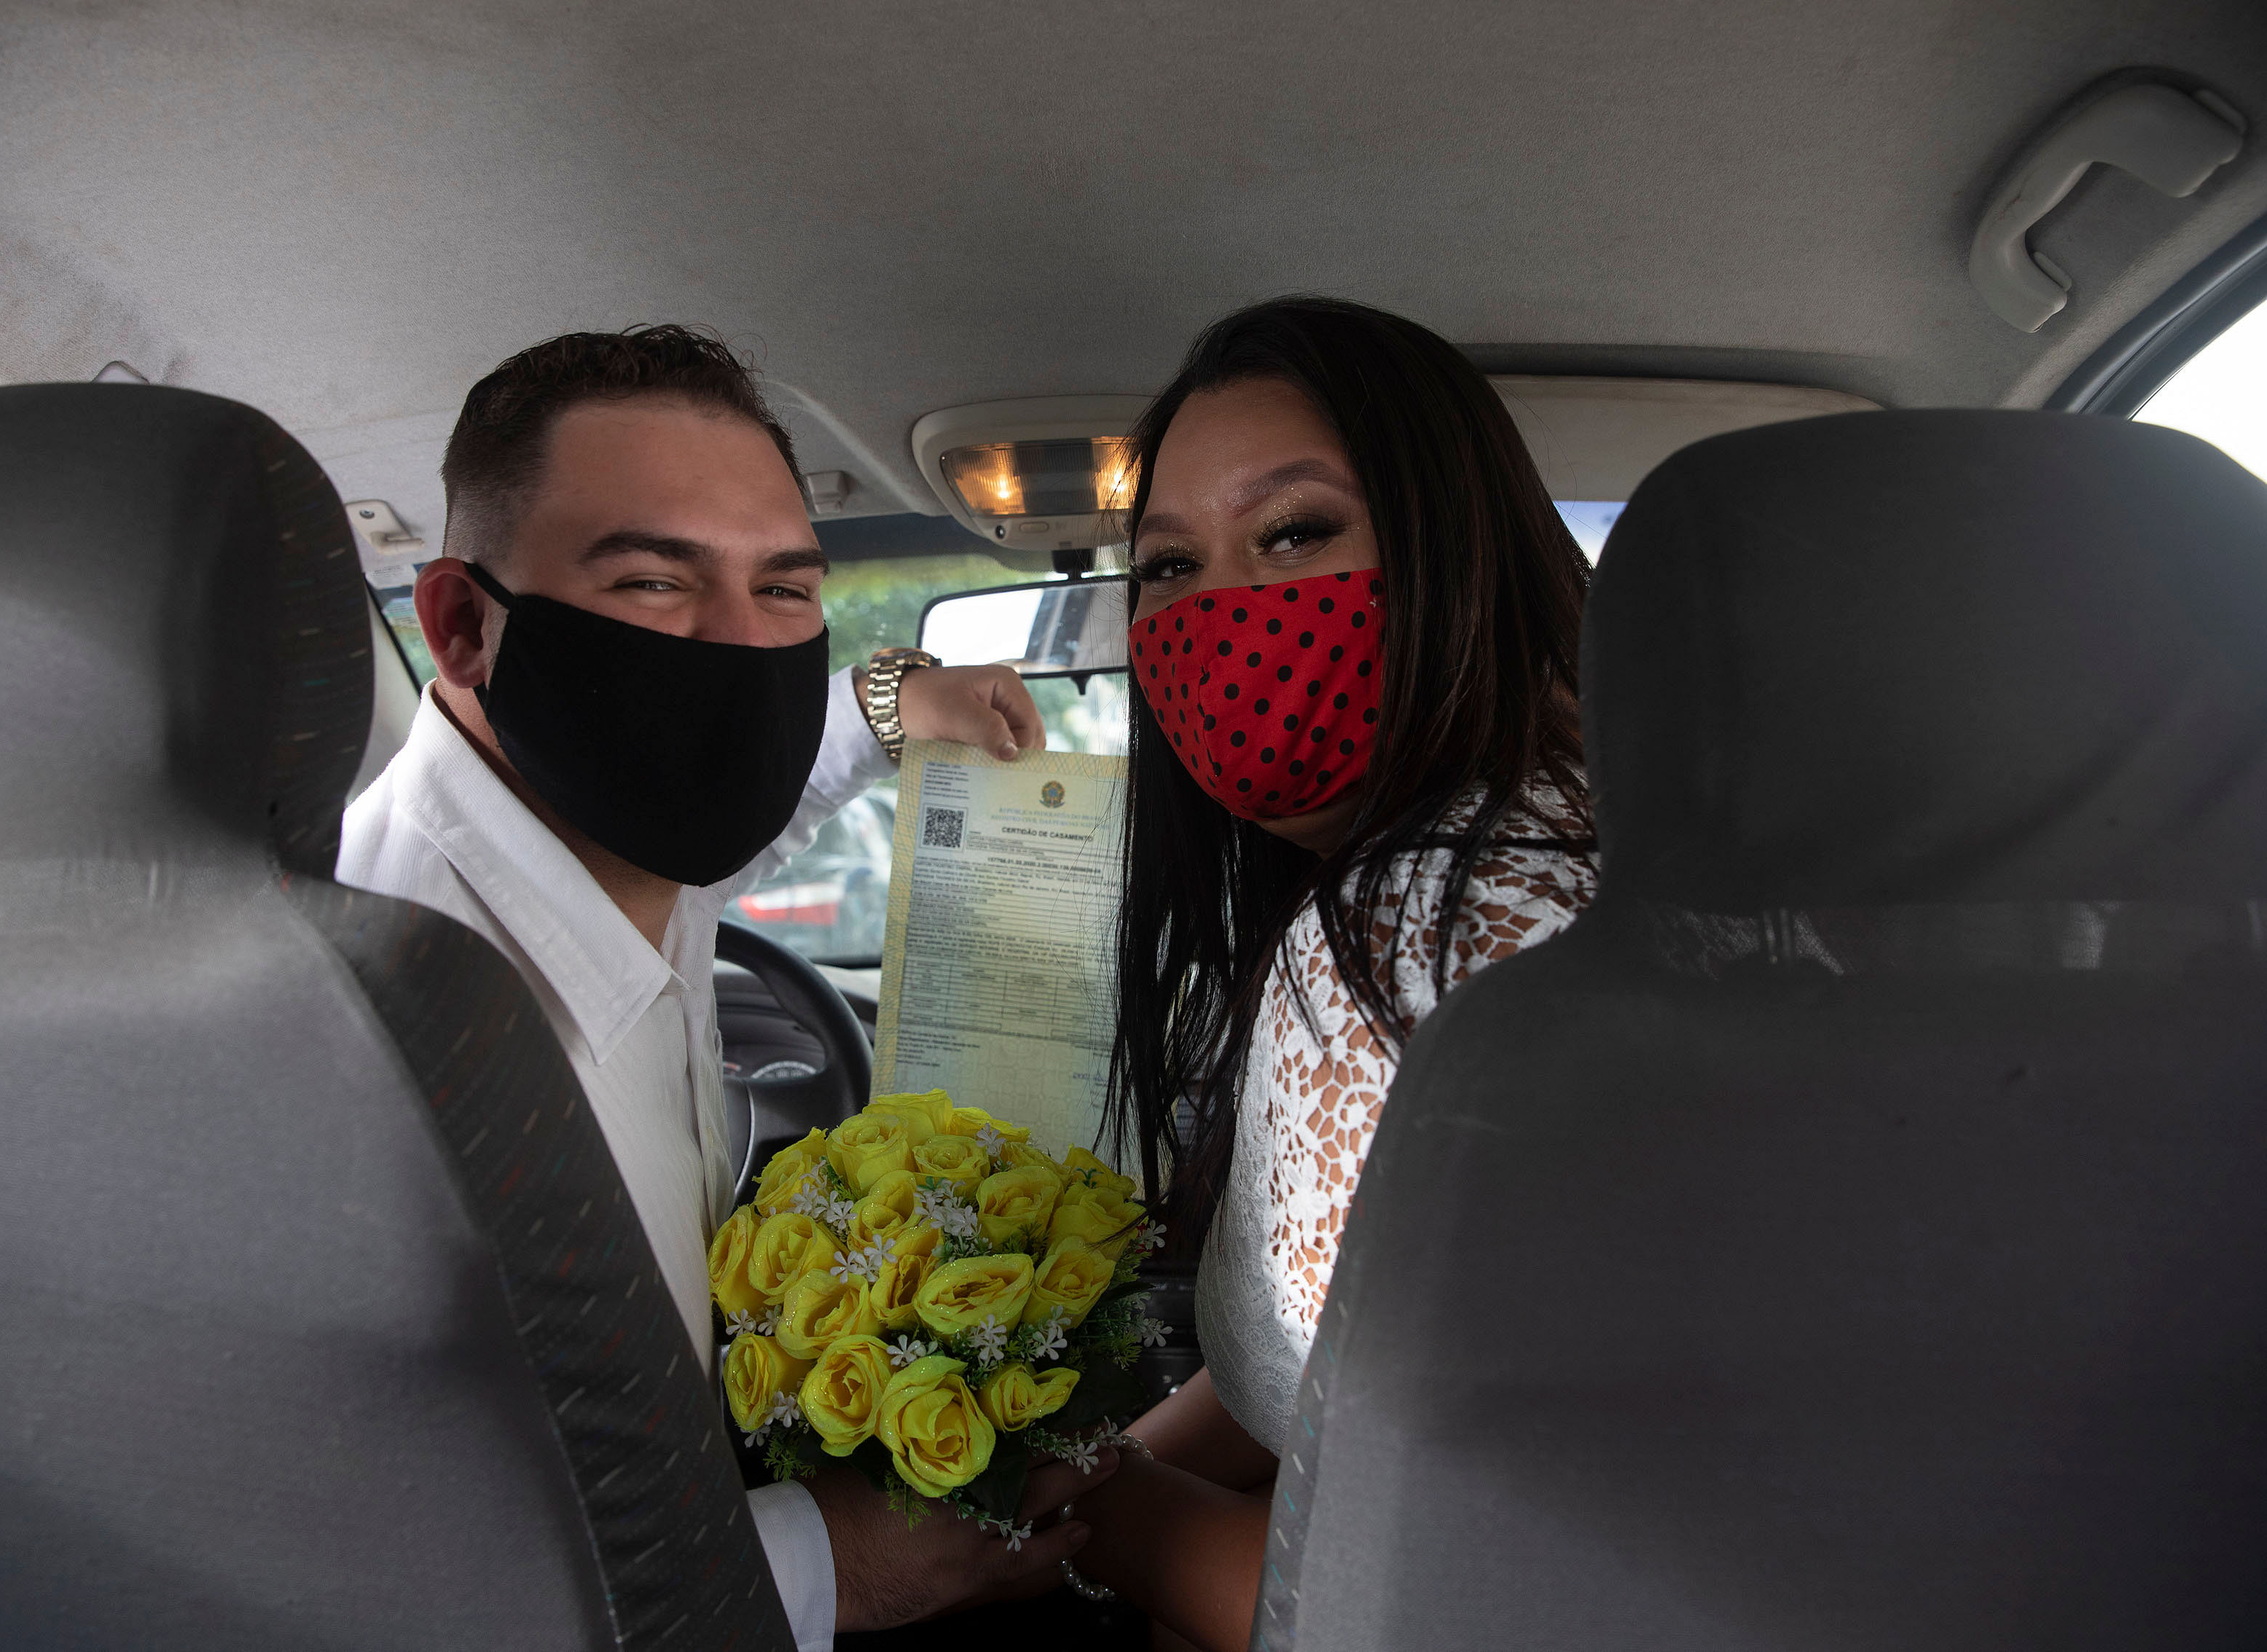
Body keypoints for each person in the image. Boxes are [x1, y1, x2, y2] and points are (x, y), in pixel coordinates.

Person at [339, 327, 1116, 1648]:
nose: (737, 652)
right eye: (651, 582)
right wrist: (841, 1568)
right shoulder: (403, 1039)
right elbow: (420, 1568)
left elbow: (768, 782)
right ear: (464, 627)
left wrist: (893, 693)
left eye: (785, 589)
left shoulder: (614, 841)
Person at [1064, 298, 1600, 1650]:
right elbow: (1321, 1386)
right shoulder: (1612, 816)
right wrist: (1121, 1461)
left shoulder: (1394, 938)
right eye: (1171, 568)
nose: (1226, 615)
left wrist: (1079, 1514)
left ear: (1453, 545)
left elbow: (1412, 1601)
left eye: (1297, 533)